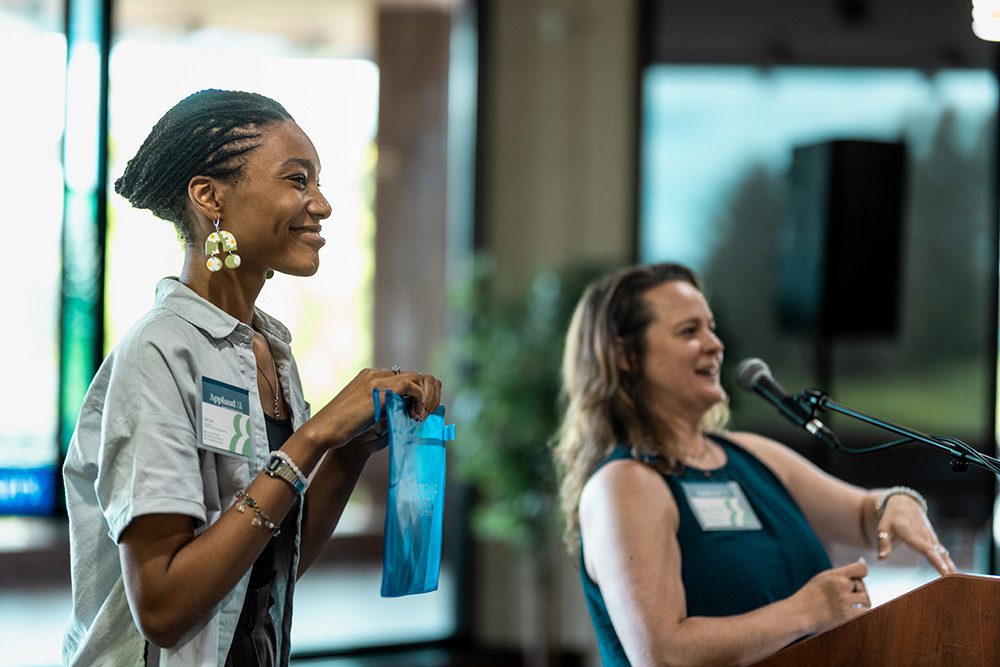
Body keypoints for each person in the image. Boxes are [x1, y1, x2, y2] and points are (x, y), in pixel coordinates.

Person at [62, 89, 443, 666]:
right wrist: (311, 439)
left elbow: (271, 557)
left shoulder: (272, 351)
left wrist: (348, 452)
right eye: (297, 180)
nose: (322, 204)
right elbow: (164, 610)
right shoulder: (159, 351)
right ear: (209, 196)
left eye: (316, 182)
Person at [553, 262, 956, 667]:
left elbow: (865, 514)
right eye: (689, 332)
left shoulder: (752, 456)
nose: (714, 344)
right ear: (625, 356)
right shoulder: (625, 484)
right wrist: (804, 611)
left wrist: (897, 503)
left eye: (711, 328)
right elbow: (663, 655)